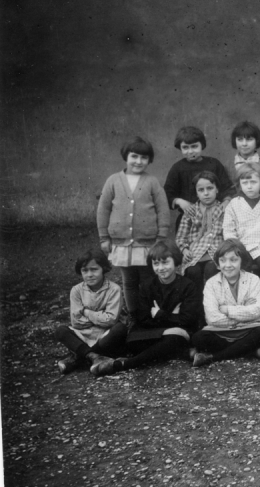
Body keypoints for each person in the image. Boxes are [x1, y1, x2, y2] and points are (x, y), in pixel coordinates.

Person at [91, 240, 202, 376]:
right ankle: (84, 356)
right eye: (156, 263)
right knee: (124, 334)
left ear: (175, 262)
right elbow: (143, 318)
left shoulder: (187, 286)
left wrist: (159, 314)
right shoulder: (147, 286)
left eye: (165, 262)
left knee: (175, 337)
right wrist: (171, 318)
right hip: (150, 334)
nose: (161, 268)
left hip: (174, 337)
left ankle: (125, 364)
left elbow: (188, 320)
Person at [97, 136, 170, 319]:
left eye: (144, 158)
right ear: (126, 156)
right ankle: (133, 314)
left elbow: (163, 209)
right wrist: (104, 238)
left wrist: (161, 238)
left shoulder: (152, 182)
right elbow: (103, 209)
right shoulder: (113, 180)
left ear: (149, 160)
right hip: (121, 243)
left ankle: (148, 312)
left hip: (147, 243)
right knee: (129, 280)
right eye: (134, 156)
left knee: (148, 279)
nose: (138, 161)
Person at [191, 239, 260, 367]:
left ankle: (214, 357)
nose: (228, 265)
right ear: (218, 263)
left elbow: (256, 310)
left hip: (249, 330)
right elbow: (212, 318)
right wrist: (244, 312)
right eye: (223, 260)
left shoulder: (253, 280)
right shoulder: (211, 284)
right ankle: (249, 350)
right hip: (222, 331)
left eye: (233, 260)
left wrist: (228, 310)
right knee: (198, 338)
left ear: (242, 261)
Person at [54, 250, 127, 375]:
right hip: (83, 334)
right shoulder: (76, 290)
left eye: (94, 269)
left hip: (104, 335)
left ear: (103, 269)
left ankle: (79, 357)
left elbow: (110, 320)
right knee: (61, 331)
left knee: (120, 329)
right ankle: (95, 358)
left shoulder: (114, 289)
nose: (89, 274)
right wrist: (100, 316)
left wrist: (86, 312)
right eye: (85, 270)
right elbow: (76, 322)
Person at [223, 162, 260, 312]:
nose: (249, 186)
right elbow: (228, 230)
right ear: (239, 184)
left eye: (253, 182)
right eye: (244, 182)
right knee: (240, 267)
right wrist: (235, 246)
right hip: (240, 246)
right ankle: (242, 306)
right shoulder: (234, 204)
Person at [164, 126, 234, 228]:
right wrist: (179, 201)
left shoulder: (214, 164)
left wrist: (226, 201)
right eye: (185, 147)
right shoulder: (177, 168)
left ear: (202, 145)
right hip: (188, 219)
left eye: (194, 146)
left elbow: (227, 188)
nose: (190, 151)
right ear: (180, 148)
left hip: (215, 217)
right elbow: (167, 193)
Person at [176, 171, 225, 295]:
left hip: (216, 253)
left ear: (217, 189)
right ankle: (196, 306)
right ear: (196, 192)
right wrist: (185, 250)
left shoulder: (223, 209)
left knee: (212, 269)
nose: (206, 193)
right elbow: (181, 236)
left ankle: (213, 304)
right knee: (193, 272)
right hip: (195, 254)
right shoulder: (191, 211)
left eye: (210, 188)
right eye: (201, 190)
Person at [229, 120, 260, 198]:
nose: (244, 144)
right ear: (234, 140)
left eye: (249, 139)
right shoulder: (228, 165)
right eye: (240, 139)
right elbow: (228, 191)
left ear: (257, 141)